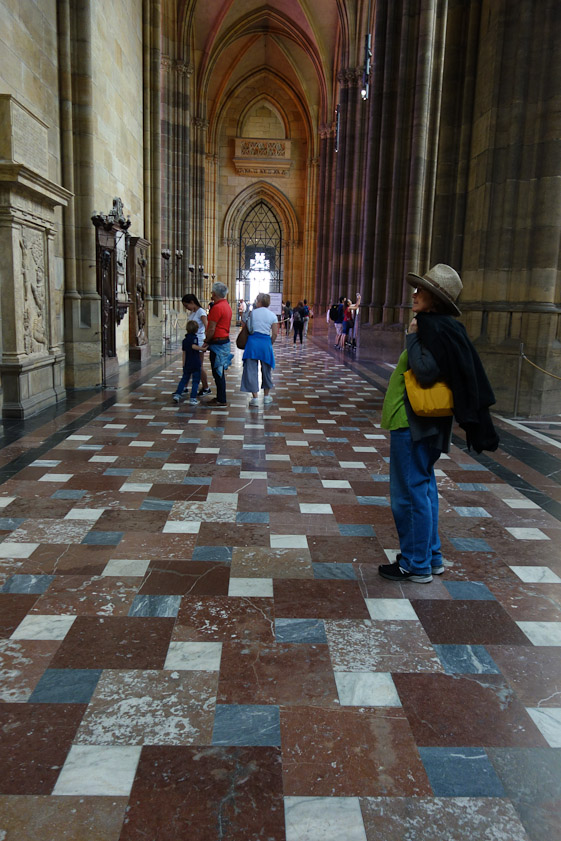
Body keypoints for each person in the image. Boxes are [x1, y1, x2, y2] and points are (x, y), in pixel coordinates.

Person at [378, 264, 499, 584]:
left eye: (422, 290)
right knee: (424, 487)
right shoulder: (447, 327)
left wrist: (413, 337)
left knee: (408, 494)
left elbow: (425, 371)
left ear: (436, 299)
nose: (414, 294)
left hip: (413, 421)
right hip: (429, 422)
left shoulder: (428, 328)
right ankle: (430, 556)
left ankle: (415, 563)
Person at [241, 292, 279, 406]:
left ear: (260, 302)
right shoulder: (272, 315)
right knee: (266, 370)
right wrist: (269, 343)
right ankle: (267, 396)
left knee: (251, 370)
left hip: (252, 343)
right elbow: (275, 333)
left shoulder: (252, 313)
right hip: (265, 343)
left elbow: (247, 327)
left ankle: (255, 398)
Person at [201, 281, 233, 406]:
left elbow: (212, 328)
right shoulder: (226, 306)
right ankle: (220, 397)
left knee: (218, 372)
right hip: (223, 341)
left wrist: (206, 341)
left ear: (215, 293)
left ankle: (221, 399)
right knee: (218, 371)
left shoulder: (217, 307)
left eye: (212, 293)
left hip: (218, 342)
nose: (211, 295)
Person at [181, 293, 211, 395]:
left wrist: (207, 341)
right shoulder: (193, 312)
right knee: (188, 364)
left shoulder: (201, 312)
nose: (187, 308)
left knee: (199, 366)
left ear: (192, 302)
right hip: (191, 340)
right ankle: (184, 386)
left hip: (198, 341)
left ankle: (206, 387)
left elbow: (207, 326)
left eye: (187, 305)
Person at [172, 320, 202, 405]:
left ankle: (177, 394)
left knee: (184, 380)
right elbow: (194, 346)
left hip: (187, 363)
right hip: (195, 363)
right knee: (195, 381)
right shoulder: (194, 338)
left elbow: (184, 353)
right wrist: (202, 349)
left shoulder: (184, 340)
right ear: (196, 330)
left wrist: (183, 364)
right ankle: (193, 398)